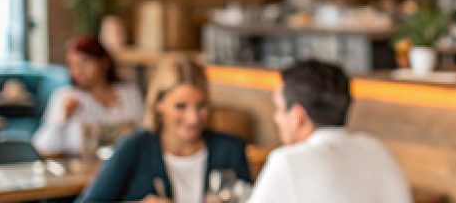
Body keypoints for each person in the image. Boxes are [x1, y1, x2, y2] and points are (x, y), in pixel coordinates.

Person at [78, 57, 251, 203]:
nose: (193, 118)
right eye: (181, 106)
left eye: (201, 106)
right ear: (158, 104)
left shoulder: (231, 150)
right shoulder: (134, 147)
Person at [249, 60, 411, 203]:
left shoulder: (288, 161)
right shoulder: (375, 148)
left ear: (298, 117)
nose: (276, 118)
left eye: (279, 108)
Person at [32, 36, 143, 155]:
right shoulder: (65, 97)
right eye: (72, 65)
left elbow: (143, 134)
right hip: (78, 167)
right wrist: (62, 118)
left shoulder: (130, 94)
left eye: (85, 61)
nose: (78, 70)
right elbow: (42, 145)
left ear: (105, 62)